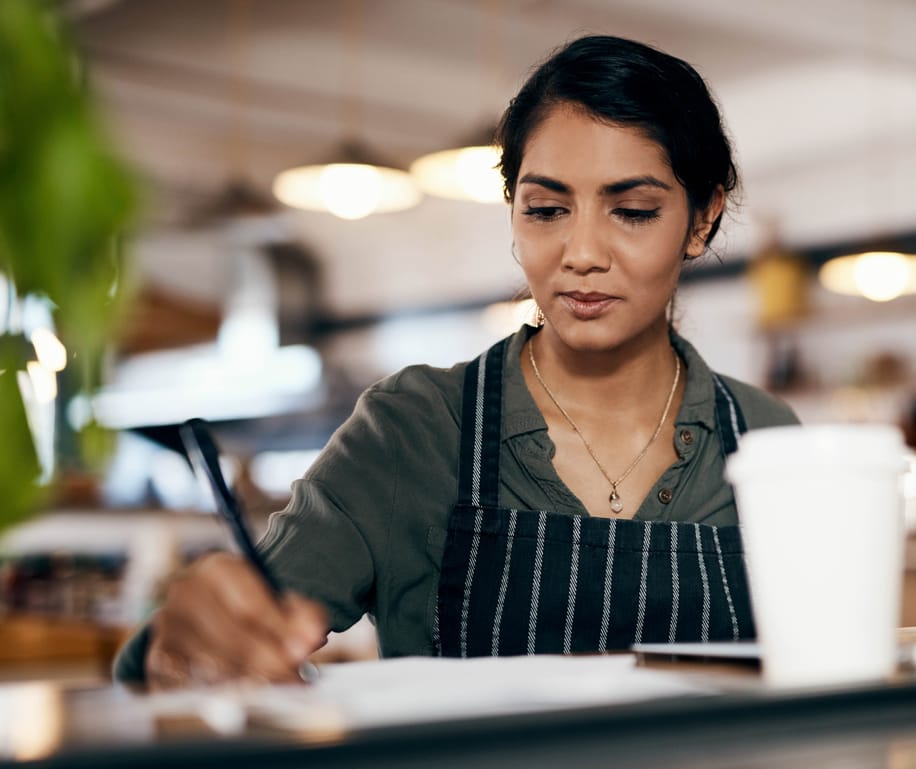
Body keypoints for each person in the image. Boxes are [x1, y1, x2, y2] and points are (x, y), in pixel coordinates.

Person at [114, 34, 799, 688]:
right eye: (546, 208)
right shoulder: (414, 429)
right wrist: (187, 645)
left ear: (703, 217)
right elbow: (196, 656)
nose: (582, 252)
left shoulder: (770, 440)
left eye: (633, 210)